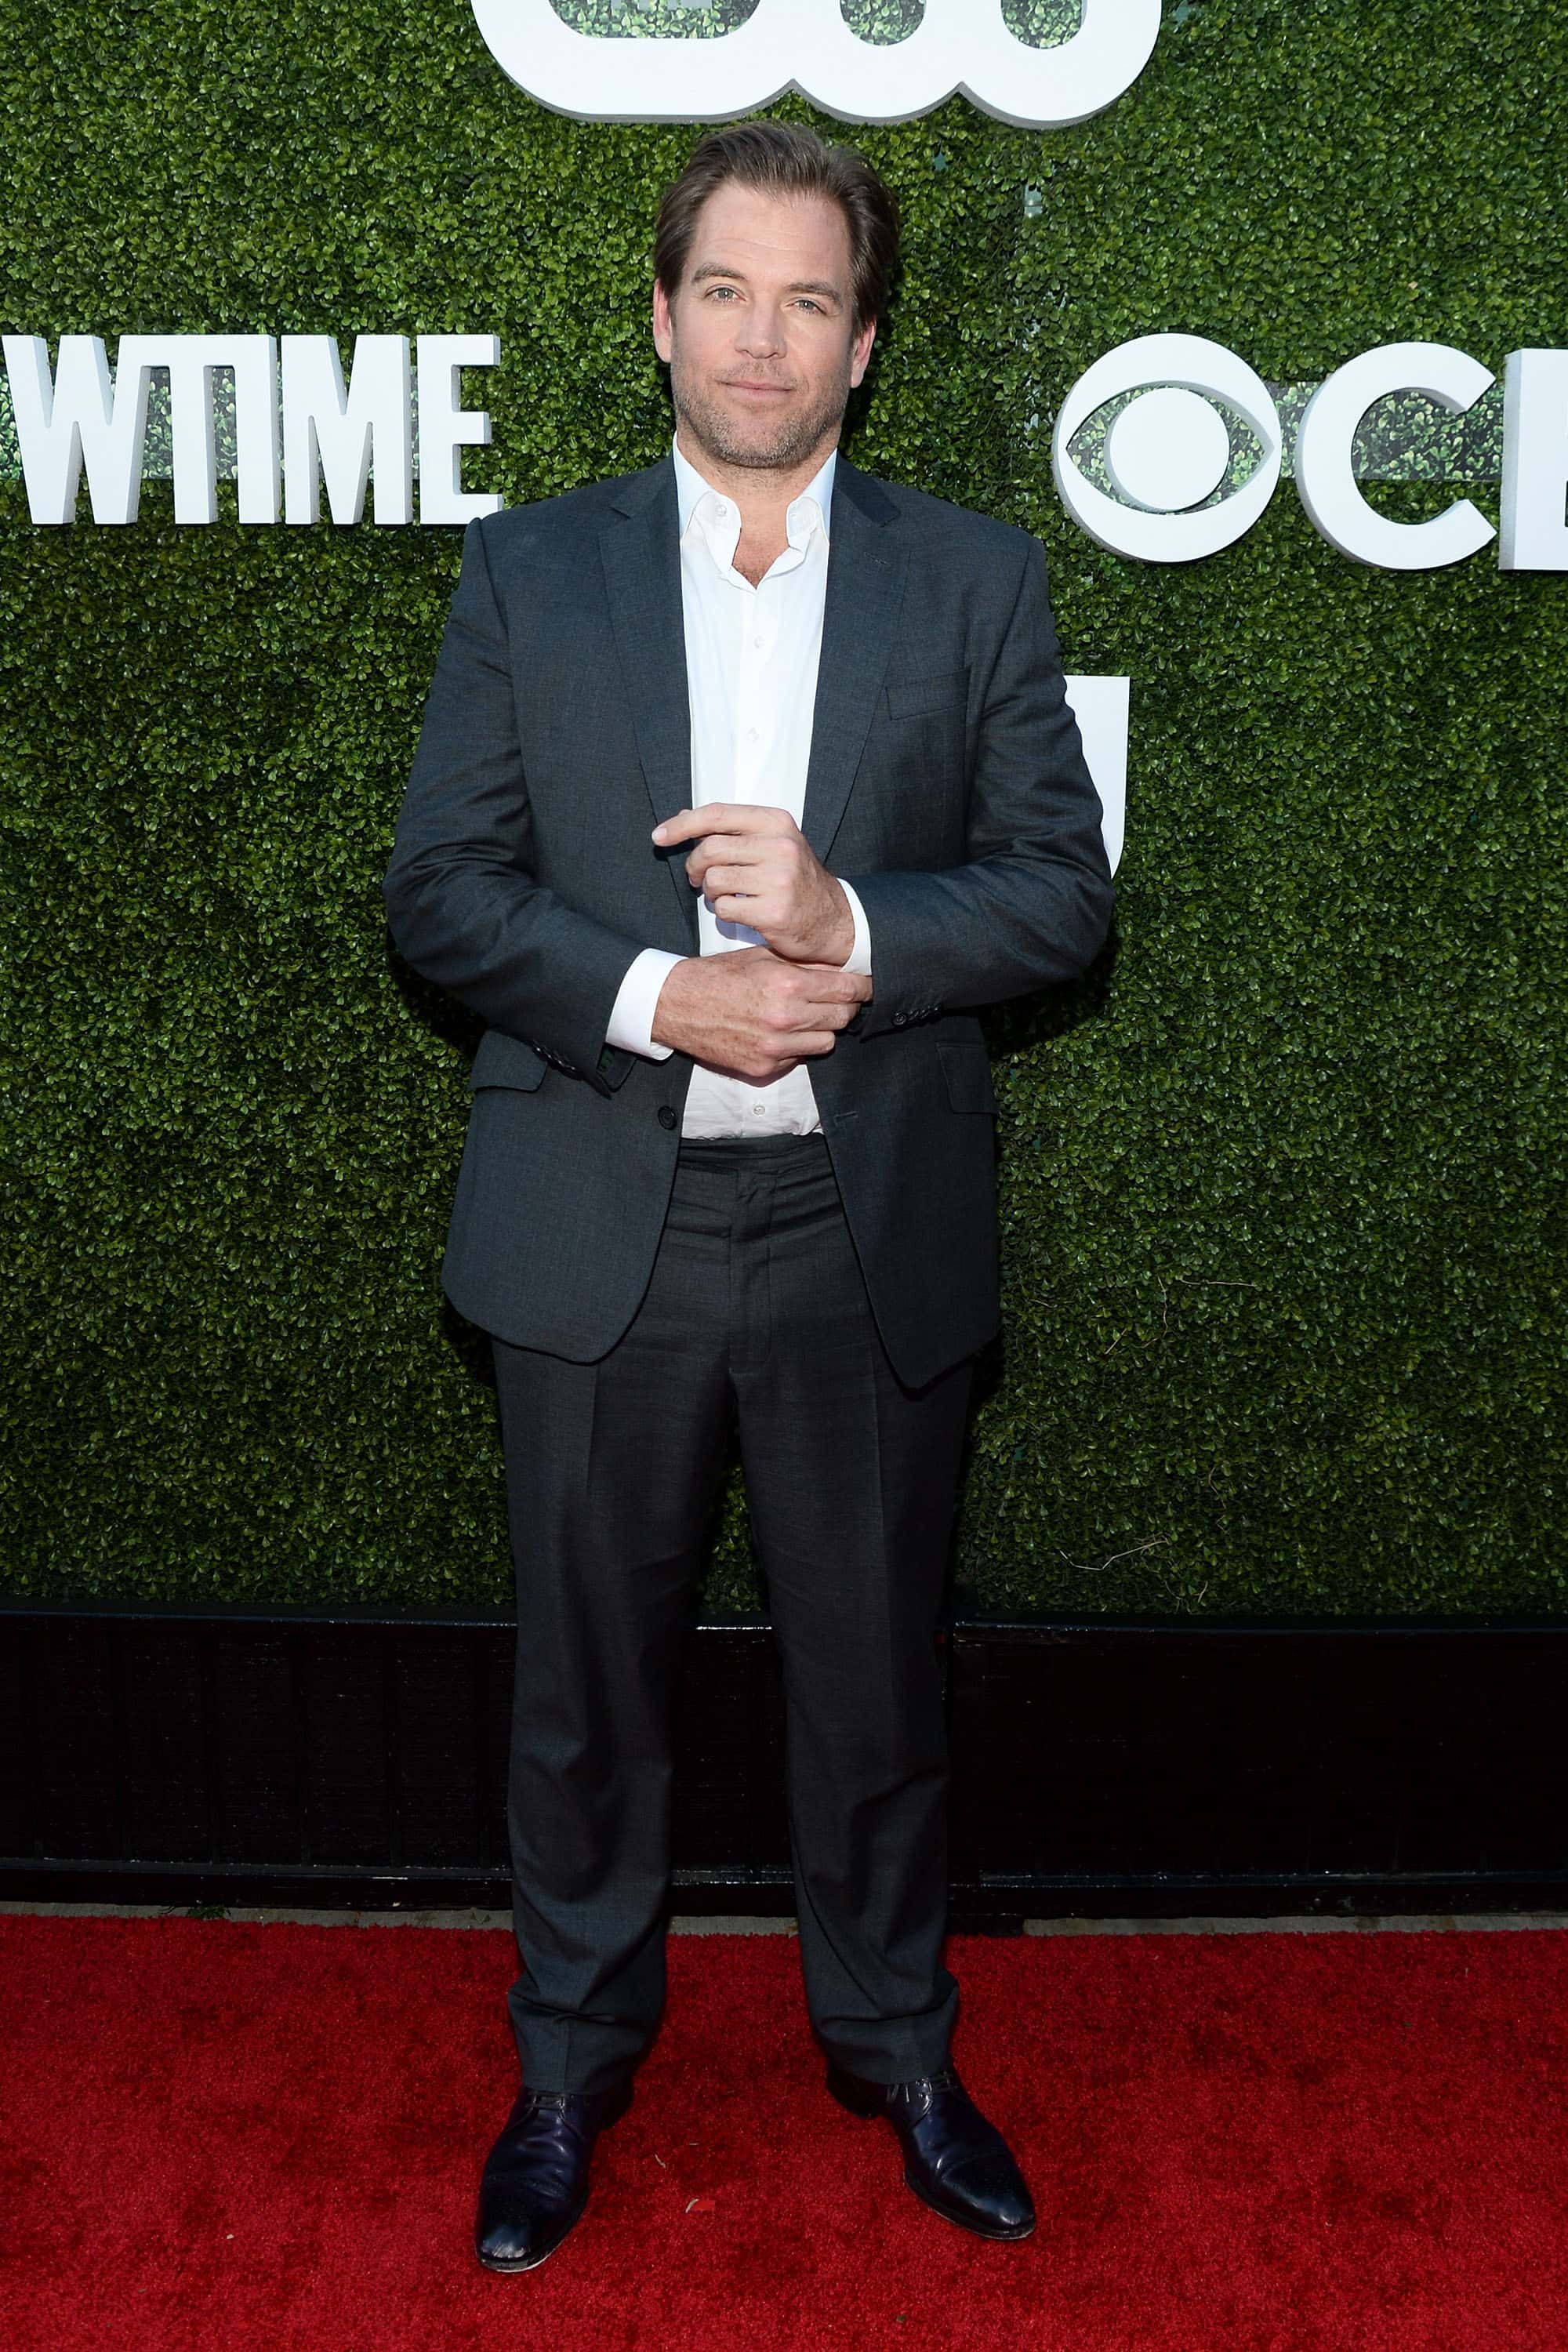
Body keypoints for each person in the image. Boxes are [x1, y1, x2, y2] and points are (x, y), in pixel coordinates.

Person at [383, 118, 1114, 2274]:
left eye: (810, 297)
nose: (763, 336)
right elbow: (438, 891)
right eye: (726, 288)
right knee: (583, 1693)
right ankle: (568, 2067)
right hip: (593, 1229)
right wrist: (654, 993)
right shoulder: (534, 570)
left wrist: (852, 924)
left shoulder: (974, 578)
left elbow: (1062, 901)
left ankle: (897, 2049)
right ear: (661, 315)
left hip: (854, 1236)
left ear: (866, 343)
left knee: (876, 1687)